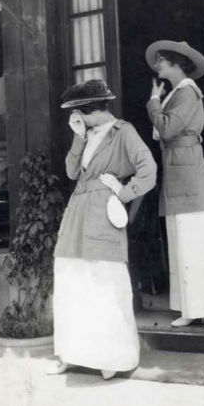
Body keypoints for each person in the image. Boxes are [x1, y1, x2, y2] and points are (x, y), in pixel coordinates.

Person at [48, 79, 157, 379]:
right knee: (72, 278)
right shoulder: (85, 134)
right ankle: (72, 352)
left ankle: (111, 356)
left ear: (89, 111)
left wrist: (123, 192)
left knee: (104, 281)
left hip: (102, 211)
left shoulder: (124, 132)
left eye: (78, 115)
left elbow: (149, 171)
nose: (76, 121)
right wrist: (78, 138)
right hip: (77, 211)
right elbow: (72, 172)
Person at [145, 40, 204, 331]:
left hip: (187, 171)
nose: (157, 65)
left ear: (175, 62)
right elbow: (164, 131)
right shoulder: (177, 93)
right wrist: (160, 105)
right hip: (178, 169)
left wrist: (153, 101)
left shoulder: (187, 92)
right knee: (182, 242)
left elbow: (167, 129)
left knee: (200, 241)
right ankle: (193, 308)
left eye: (161, 60)